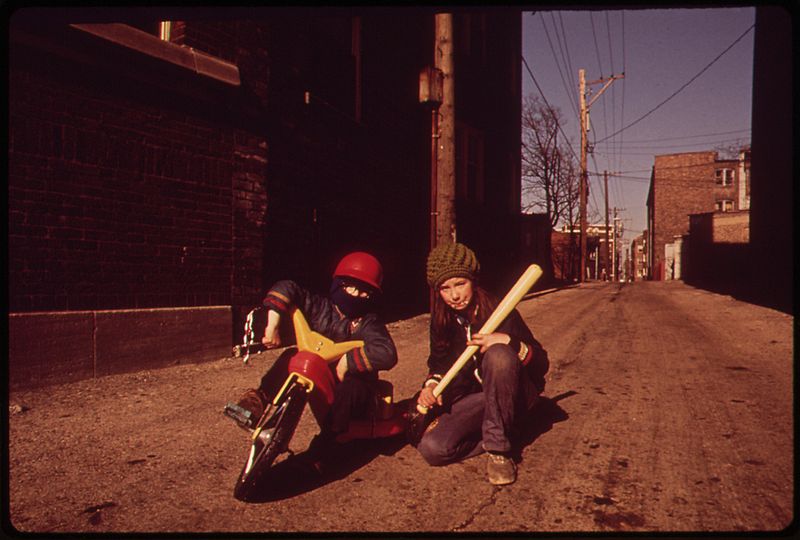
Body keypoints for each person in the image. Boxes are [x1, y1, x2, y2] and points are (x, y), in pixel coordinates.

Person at [231, 251, 398, 472]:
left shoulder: (368, 323)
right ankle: (257, 401)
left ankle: (330, 441)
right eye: (351, 287)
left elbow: (387, 351)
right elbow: (287, 287)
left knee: (351, 389)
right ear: (339, 284)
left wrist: (349, 360)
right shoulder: (319, 306)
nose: (356, 295)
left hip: (347, 381)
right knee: (292, 357)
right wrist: (272, 325)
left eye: (364, 292)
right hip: (320, 373)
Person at [415, 242, 549, 485]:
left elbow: (541, 364)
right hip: (478, 399)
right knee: (432, 448)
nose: (454, 295)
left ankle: (499, 450)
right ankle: (504, 431)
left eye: (460, 284)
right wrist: (432, 385)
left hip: (516, 395)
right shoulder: (441, 320)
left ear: (473, 280)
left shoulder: (500, 310)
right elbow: (438, 363)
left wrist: (508, 341)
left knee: (498, 354)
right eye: (445, 288)